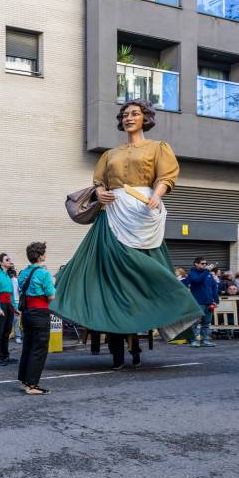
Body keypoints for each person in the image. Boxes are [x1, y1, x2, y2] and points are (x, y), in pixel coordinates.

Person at [53, 98, 201, 370]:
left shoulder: (158, 147)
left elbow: (166, 177)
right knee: (106, 277)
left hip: (143, 213)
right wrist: (99, 193)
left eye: (135, 113)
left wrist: (157, 196)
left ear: (145, 118)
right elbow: (98, 183)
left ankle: (170, 315)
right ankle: (118, 347)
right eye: (125, 114)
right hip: (113, 214)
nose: (129, 118)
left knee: (146, 272)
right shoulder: (109, 154)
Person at [17, 242, 56, 395]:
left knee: (28, 345)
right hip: (40, 313)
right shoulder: (44, 273)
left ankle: (24, 379)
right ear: (40, 256)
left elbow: (21, 288)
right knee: (39, 349)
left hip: (27, 313)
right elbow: (51, 296)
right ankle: (32, 385)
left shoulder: (23, 273)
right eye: (44, 253)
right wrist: (54, 283)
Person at [184, 257, 219, 347]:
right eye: (202, 263)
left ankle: (205, 340)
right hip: (198, 302)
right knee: (194, 322)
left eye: (205, 263)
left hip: (209, 302)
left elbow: (214, 286)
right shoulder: (192, 273)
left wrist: (215, 300)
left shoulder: (208, 274)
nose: (205, 265)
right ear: (196, 264)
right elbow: (197, 280)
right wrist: (206, 271)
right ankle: (193, 340)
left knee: (206, 323)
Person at [0, 253, 15, 365]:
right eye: (7, 259)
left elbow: (11, 293)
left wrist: (14, 307)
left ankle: (5, 356)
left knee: (7, 332)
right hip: (1, 305)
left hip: (8, 305)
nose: (10, 261)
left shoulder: (7, 275)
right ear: (1, 263)